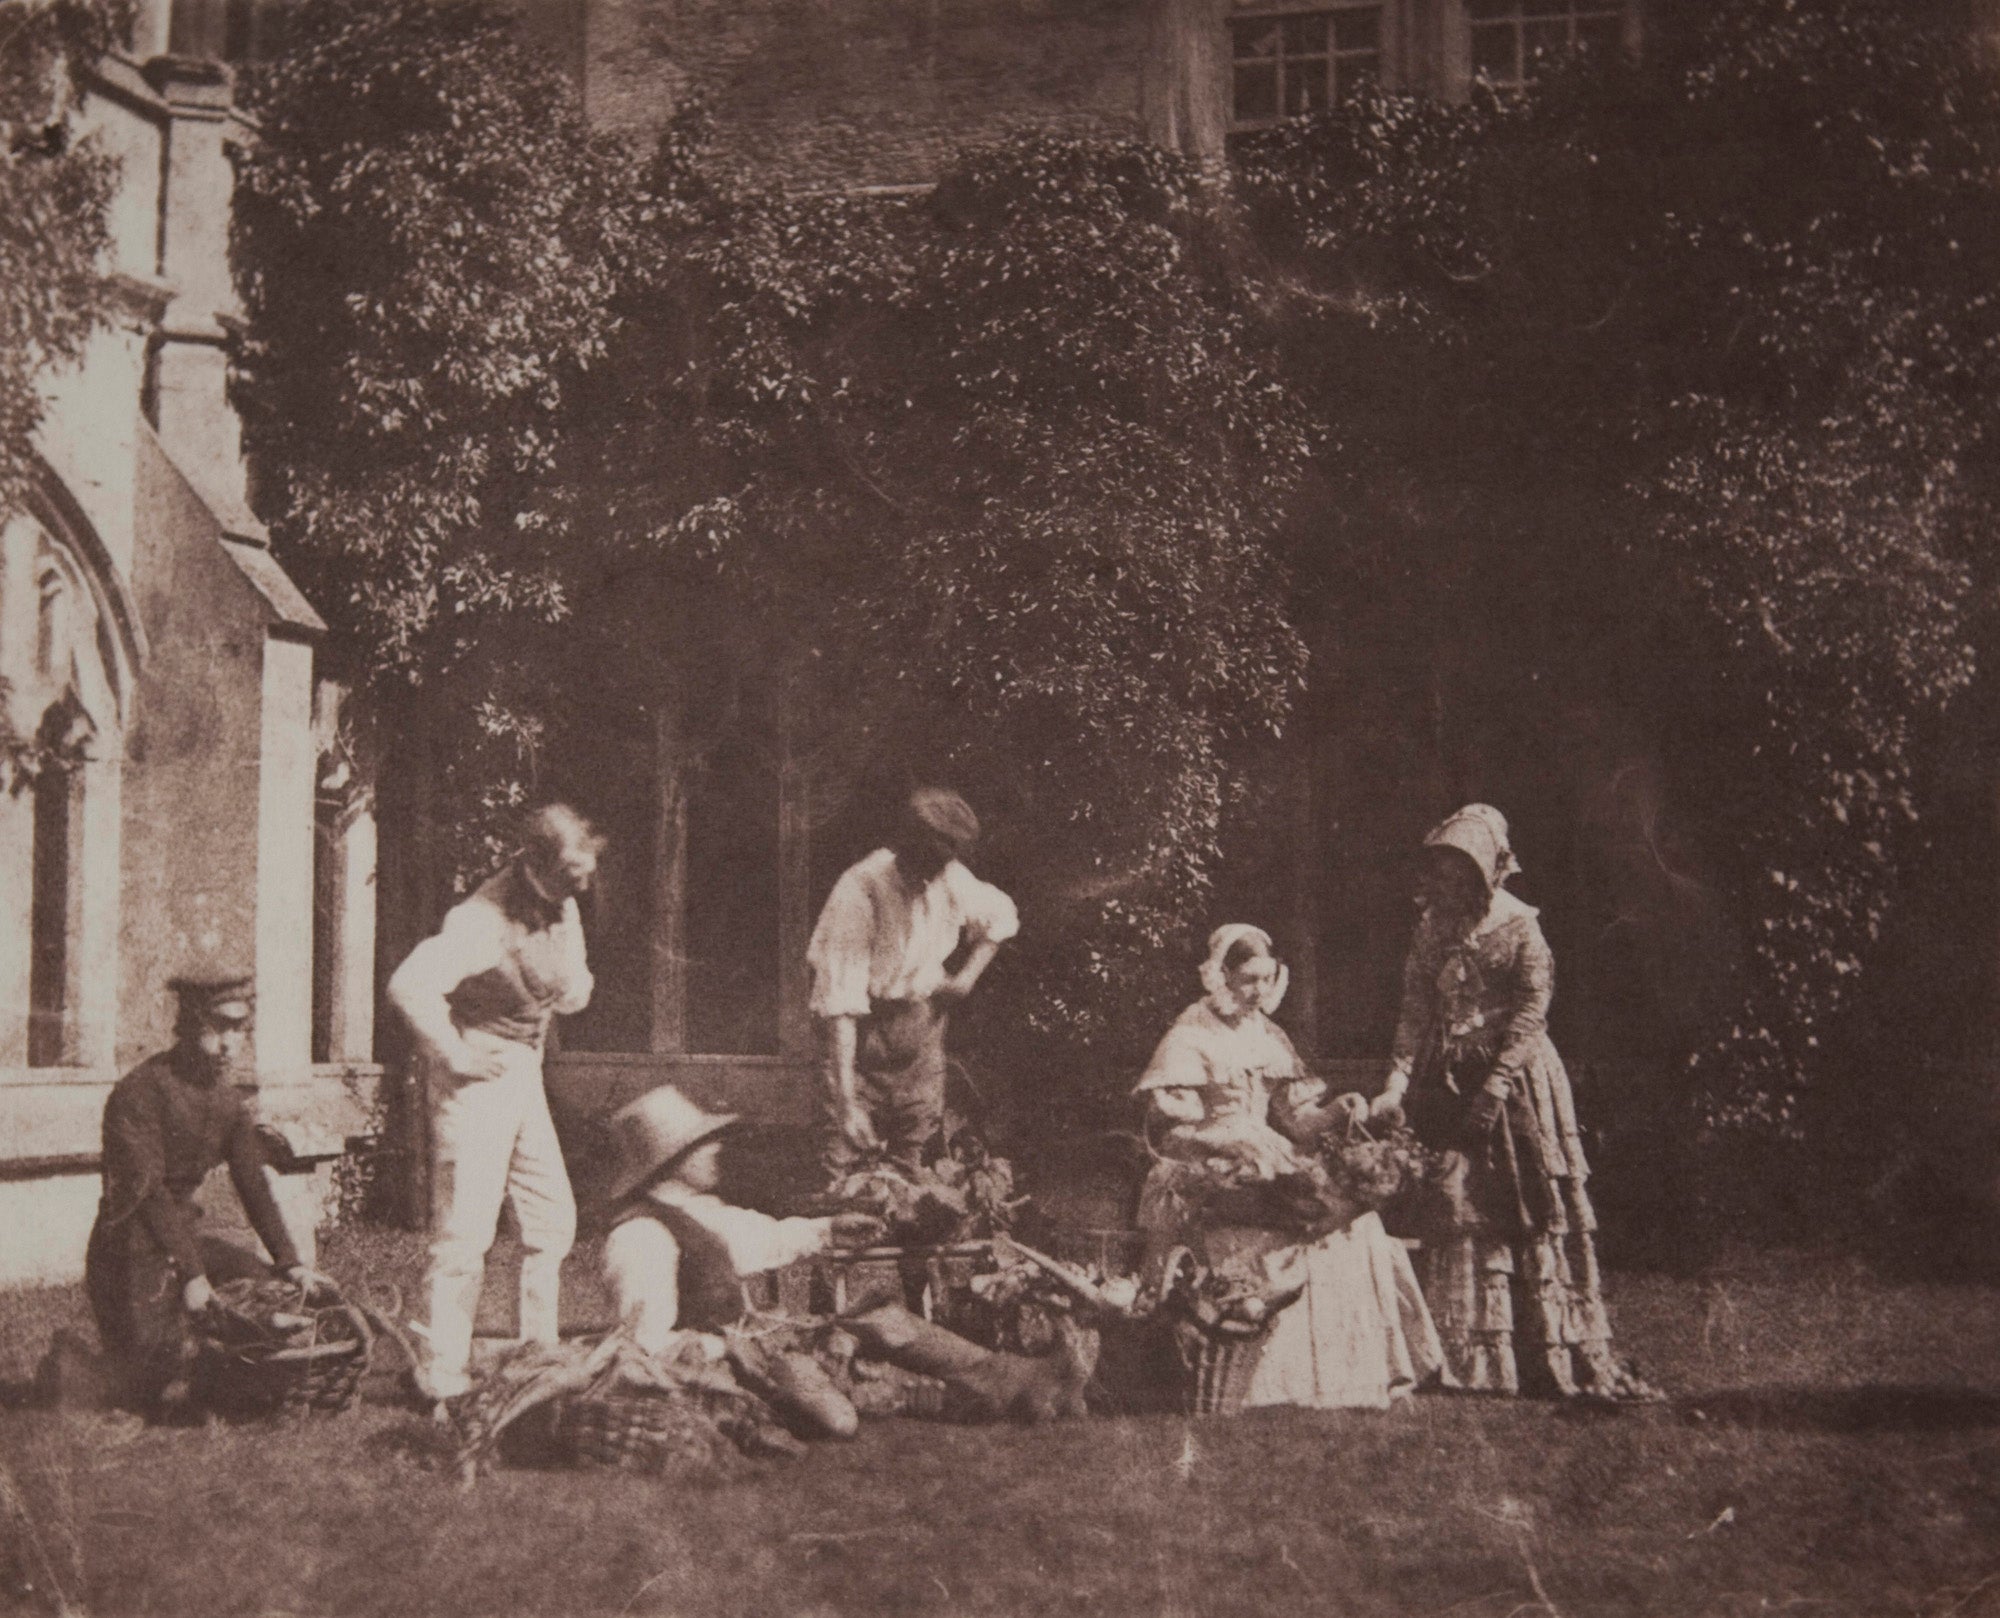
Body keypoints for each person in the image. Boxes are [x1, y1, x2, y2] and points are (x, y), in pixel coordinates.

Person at [1365, 804, 1654, 1399]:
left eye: (1456, 872)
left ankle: (1537, 1347)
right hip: (1445, 1080)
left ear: (1483, 875)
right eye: (1438, 871)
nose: (1443, 884)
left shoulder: (1522, 928)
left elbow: (1531, 1014)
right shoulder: (1430, 931)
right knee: (1456, 1204)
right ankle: (1464, 1357)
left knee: (1522, 1202)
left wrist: (1495, 1087)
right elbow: (1415, 1013)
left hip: (1515, 1079)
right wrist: (1395, 1085)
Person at [1133, 924, 1442, 1411]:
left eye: (1265, 979)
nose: (1258, 992)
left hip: (1269, 1148)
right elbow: (1170, 1133)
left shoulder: (1269, 1035)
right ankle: (1259, 1379)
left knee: (1349, 1229)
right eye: (1247, 980)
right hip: (1211, 1160)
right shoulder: (1190, 1034)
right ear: (1220, 976)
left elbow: (1298, 1123)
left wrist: (1338, 1111)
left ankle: (1349, 1376)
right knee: (1278, 1227)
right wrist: (1224, 1140)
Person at [388, 802, 602, 1404]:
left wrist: (571, 989)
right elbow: (409, 985)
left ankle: (539, 1357)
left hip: (524, 1069)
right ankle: (441, 1371)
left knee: (551, 1217)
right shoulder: (480, 918)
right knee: (464, 1231)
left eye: (586, 871)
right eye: (571, 872)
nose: (583, 883)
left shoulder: (564, 901)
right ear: (534, 860)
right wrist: (453, 1055)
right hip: (478, 1072)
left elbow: (575, 989)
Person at [84, 971, 316, 1412]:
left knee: (269, 1299)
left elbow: (253, 1184)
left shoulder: (227, 1103)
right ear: (190, 1025)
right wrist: (192, 1275)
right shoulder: (138, 1093)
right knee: (152, 1384)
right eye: (220, 1027)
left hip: (184, 1241)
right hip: (128, 1251)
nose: (231, 1044)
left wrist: (290, 1263)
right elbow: (147, 1193)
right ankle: (83, 1365)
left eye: (240, 1029)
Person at [805, 787, 1018, 1181]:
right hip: (862, 1041)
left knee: (913, 1173)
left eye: (939, 866)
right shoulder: (860, 890)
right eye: (923, 866)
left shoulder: (950, 878)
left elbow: (1000, 916)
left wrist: (965, 979)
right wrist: (847, 1101)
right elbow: (841, 1008)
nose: (930, 877)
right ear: (905, 849)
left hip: (921, 1040)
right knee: (842, 1167)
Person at [599, 1085, 885, 1353]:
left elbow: (765, 1238)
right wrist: (732, 1347)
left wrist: (830, 1229)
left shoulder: (695, 1213)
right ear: (671, 1160)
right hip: (677, 1387)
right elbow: (642, 1344)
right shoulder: (641, 1236)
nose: (716, 1150)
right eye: (700, 1144)